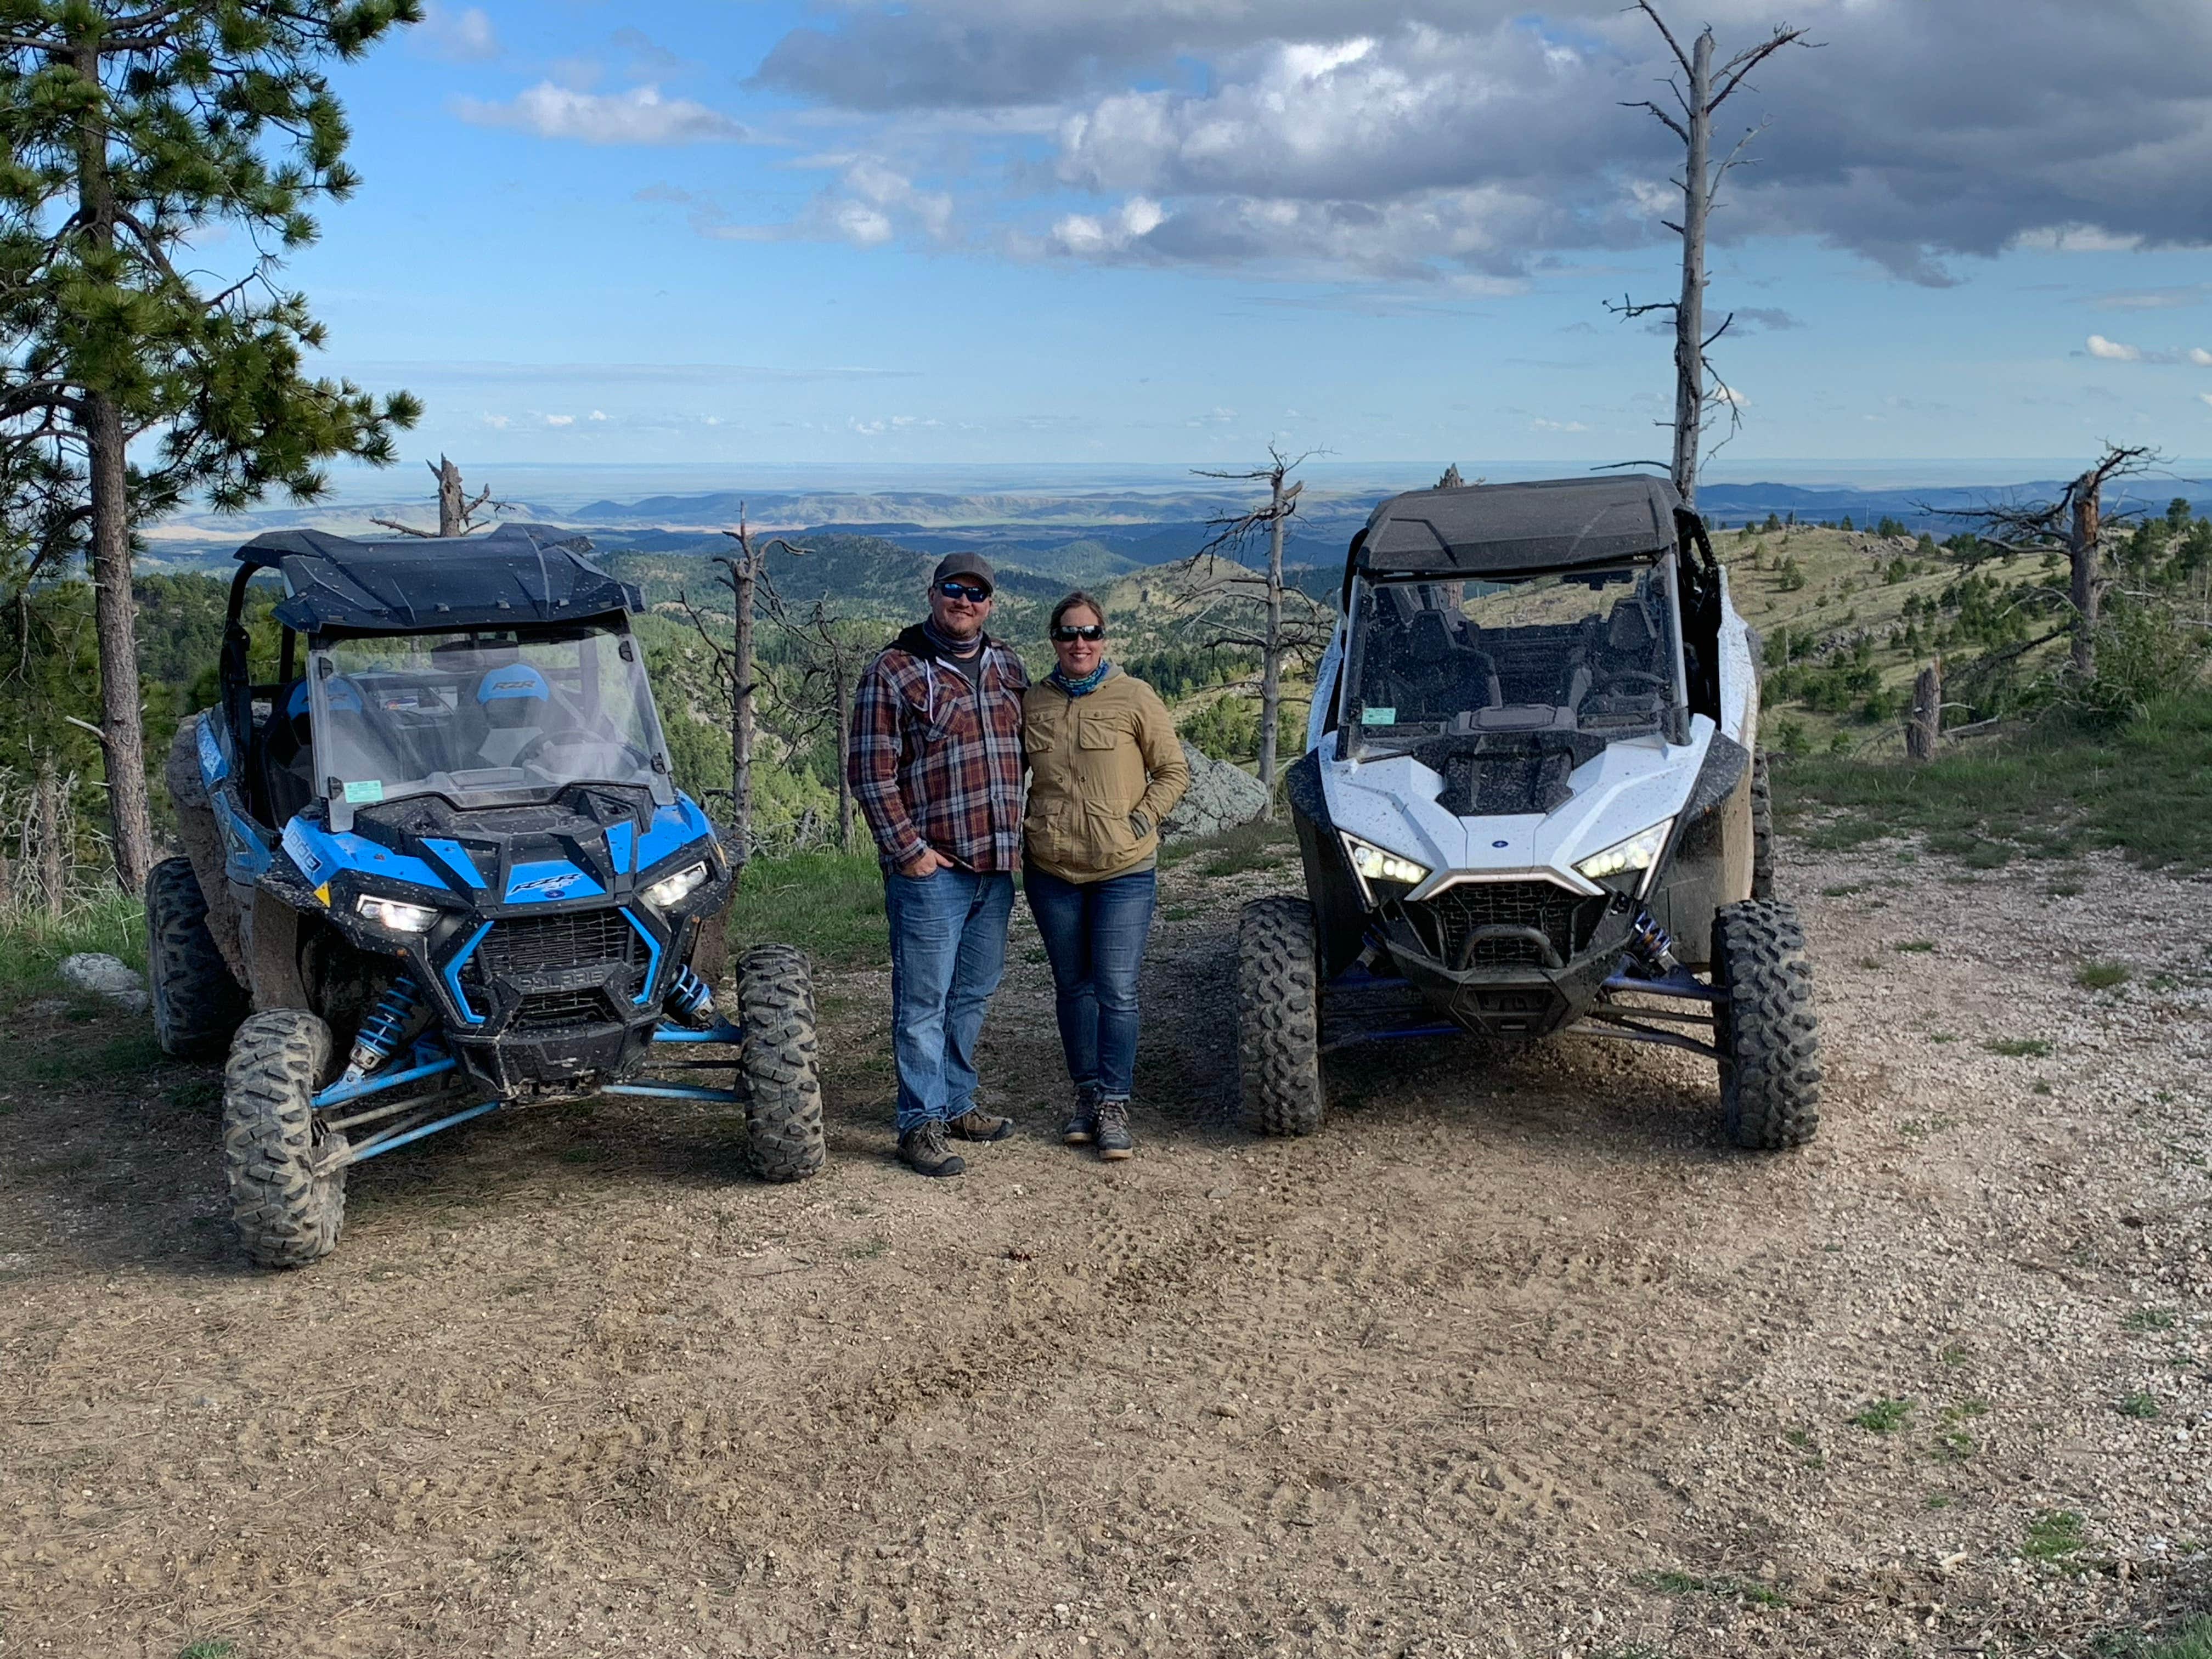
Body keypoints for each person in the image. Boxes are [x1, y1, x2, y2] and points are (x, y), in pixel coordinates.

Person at [849, 553, 1030, 1178]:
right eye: (954, 590)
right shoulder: (895, 670)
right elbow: (869, 773)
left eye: (977, 593)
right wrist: (910, 853)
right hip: (934, 872)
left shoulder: (1007, 663)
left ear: (991, 603)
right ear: (933, 595)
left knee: (971, 995)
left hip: (995, 868)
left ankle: (956, 1104)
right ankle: (918, 1124)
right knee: (923, 1003)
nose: (965, 601)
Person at [1021, 591, 1189, 1160]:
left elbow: (1172, 770)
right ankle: (1086, 1096)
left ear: (1105, 638)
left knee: (1116, 990)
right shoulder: (1034, 703)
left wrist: (1138, 819)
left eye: (1090, 632)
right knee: (1074, 988)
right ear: (1054, 640)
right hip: (1052, 869)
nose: (1080, 643)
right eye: (1069, 634)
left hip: (1124, 869)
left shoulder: (1135, 696)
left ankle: (1115, 1104)